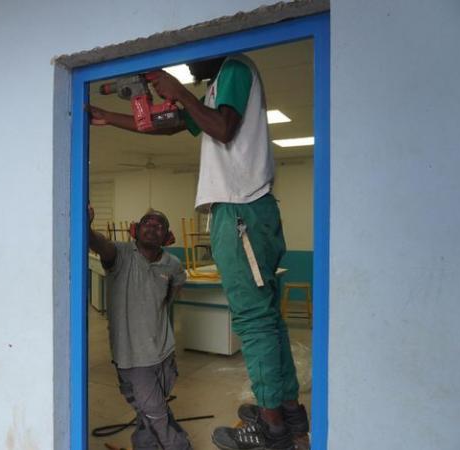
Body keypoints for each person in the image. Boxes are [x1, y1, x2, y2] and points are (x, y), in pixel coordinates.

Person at [89, 54, 308, 450]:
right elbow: (171, 124)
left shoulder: (234, 70)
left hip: (240, 209)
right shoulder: (214, 89)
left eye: (194, 58)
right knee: (268, 321)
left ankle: (272, 429)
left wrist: (177, 93)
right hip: (247, 210)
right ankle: (288, 413)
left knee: (254, 324)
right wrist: (111, 117)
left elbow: (223, 129)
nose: (189, 66)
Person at [88, 205, 192, 450]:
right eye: (147, 222)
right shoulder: (119, 254)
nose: (152, 227)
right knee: (156, 414)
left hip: (165, 353)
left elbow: (175, 287)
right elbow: (99, 243)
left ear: (167, 237)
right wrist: (88, 229)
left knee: (149, 413)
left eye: (159, 225)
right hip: (133, 358)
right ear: (135, 229)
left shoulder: (172, 264)